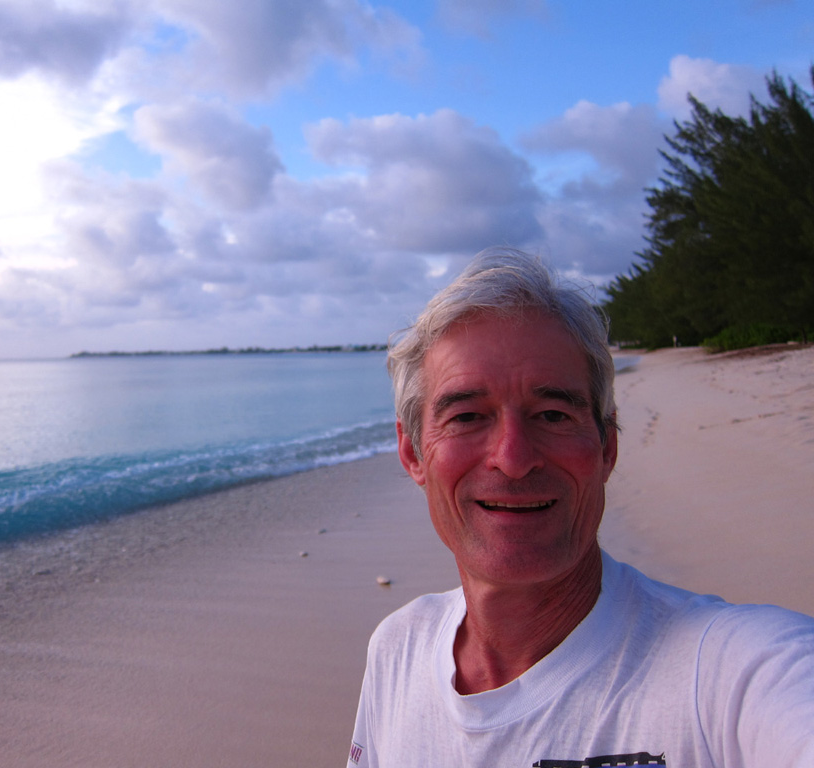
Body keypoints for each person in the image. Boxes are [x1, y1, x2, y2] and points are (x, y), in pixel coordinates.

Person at [347, 247, 814, 767]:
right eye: (467, 417)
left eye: (552, 414)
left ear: (607, 445)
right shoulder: (397, 651)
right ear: (413, 452)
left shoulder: (730, 672)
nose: (513, 459)